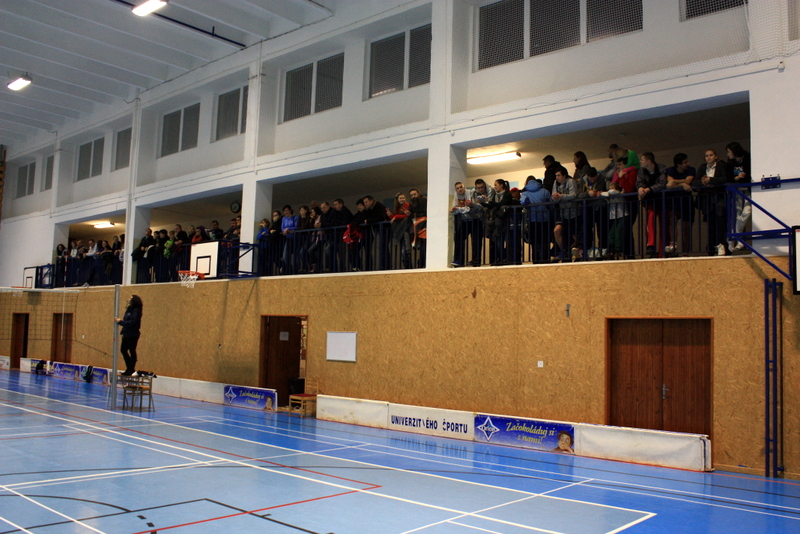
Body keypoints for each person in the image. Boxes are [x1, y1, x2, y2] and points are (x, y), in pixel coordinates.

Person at [697, 149, 731, 256]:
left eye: (711, 155)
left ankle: (722, 245)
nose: (709, 157)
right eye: (706, 156)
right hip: (708, 198)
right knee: (710, 223)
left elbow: (725, 178)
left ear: (716, 156)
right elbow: (695, 182)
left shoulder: (721, 165)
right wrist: (703, 181)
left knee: (720, 219)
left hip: (720, 197)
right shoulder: (702, 167)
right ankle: (711, 247)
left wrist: (711, 180)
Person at [636, 152, 669, 258]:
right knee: (650, 218)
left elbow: (662, 183)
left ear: (648, 161)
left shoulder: (661, 168)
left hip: (662, 199)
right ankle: (651, 245)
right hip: (650, 200)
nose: (640, 162)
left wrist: (649, 189)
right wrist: (640, 188)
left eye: (642, 160)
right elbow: (639, 182)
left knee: (663, 224)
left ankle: (662, 251)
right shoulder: (641, 170)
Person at [665, 153, 696, 256]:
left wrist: (675, 182)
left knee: (686, 228)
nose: (688, 164)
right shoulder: (670, 170)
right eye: (685, 162)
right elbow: (669, 185)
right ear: (678, 164)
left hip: (687, 202)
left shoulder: (691, 170)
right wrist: (683, 184)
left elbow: (688, 180)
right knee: (672, 221)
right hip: (675, 202)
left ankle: (685, 252)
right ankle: (673, 246)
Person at [519, 176, 552, 264]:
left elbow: (523, 202)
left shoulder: (525, 193)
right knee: (545, 242)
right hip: (545, 220)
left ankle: (536, 261)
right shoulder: (545, 191)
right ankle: (545, 260)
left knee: (534, 243)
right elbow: (550, 205)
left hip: (533, 220)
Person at [726, 141, 751, 252]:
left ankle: (734, 237)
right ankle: (738, 242)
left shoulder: (747, 158)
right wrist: (737, 178)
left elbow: (751, 172)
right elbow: (728, 177)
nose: (728, 154)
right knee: (737, 216)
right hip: (737, 190)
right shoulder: (730, 163)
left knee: (746, 213)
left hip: (748, 190)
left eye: (729, 152)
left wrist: (745, 176)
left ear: (734, 151)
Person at [450, 182, 483, 267]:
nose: (459, 189)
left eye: (461, 187)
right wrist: (455, 210)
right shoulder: (456, 195)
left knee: (476, 241)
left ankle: (476, 261)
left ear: (464, 187)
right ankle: (459, 260)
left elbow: (469, 208)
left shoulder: (470, 193)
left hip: (475, 220)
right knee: (458, 238)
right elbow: (455, 209)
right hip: (465, 221)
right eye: (457, 188)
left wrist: (457, 209)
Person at [551, 169, 580, 261]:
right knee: (557, 230)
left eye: (559, 175)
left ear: (564, 175)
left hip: (574, 213)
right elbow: (553, 196)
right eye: (556, 175)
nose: (557, 178)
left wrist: (561, 196)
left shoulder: (571, 181)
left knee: (575, 235)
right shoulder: (555, 183)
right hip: (563, 213)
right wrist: (555, 198)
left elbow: (574, 194)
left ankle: (573, 252)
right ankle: (564, 250)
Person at [115, 295, 143, 376]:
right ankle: (129, 367)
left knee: (132, 350)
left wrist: (120, 322)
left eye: (130, 298)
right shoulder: (129, 309)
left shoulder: (136, 311)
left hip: (133, 334)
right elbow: (126, 320)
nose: (129, 299)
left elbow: (132, 322)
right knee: (123, 350)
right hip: (126, 333)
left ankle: (131, 369)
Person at [391, 193, 413, 269]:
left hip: (405, 229)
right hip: (400, 230)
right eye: (400, 198)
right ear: (397, 200)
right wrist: (391, 215)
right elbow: (394, 218)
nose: (402, 199)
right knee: (403, 249)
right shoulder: (397, 207)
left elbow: (406, 216)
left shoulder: (407, 205)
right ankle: (406, 265)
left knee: (406, 248)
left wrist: (396, 216)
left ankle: (408, 266)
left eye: (403, 198)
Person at [409, 189, 427, 268]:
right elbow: (411, 214)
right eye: (411, 195)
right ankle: (421, 262)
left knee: (424, 244)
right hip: (417, 225)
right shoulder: (411, 203)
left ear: (418, 194)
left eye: (414, 194)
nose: (413, 196)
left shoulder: (424, 200)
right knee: (421, 244)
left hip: (424, 223)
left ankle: (423, 262)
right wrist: (409, 214)